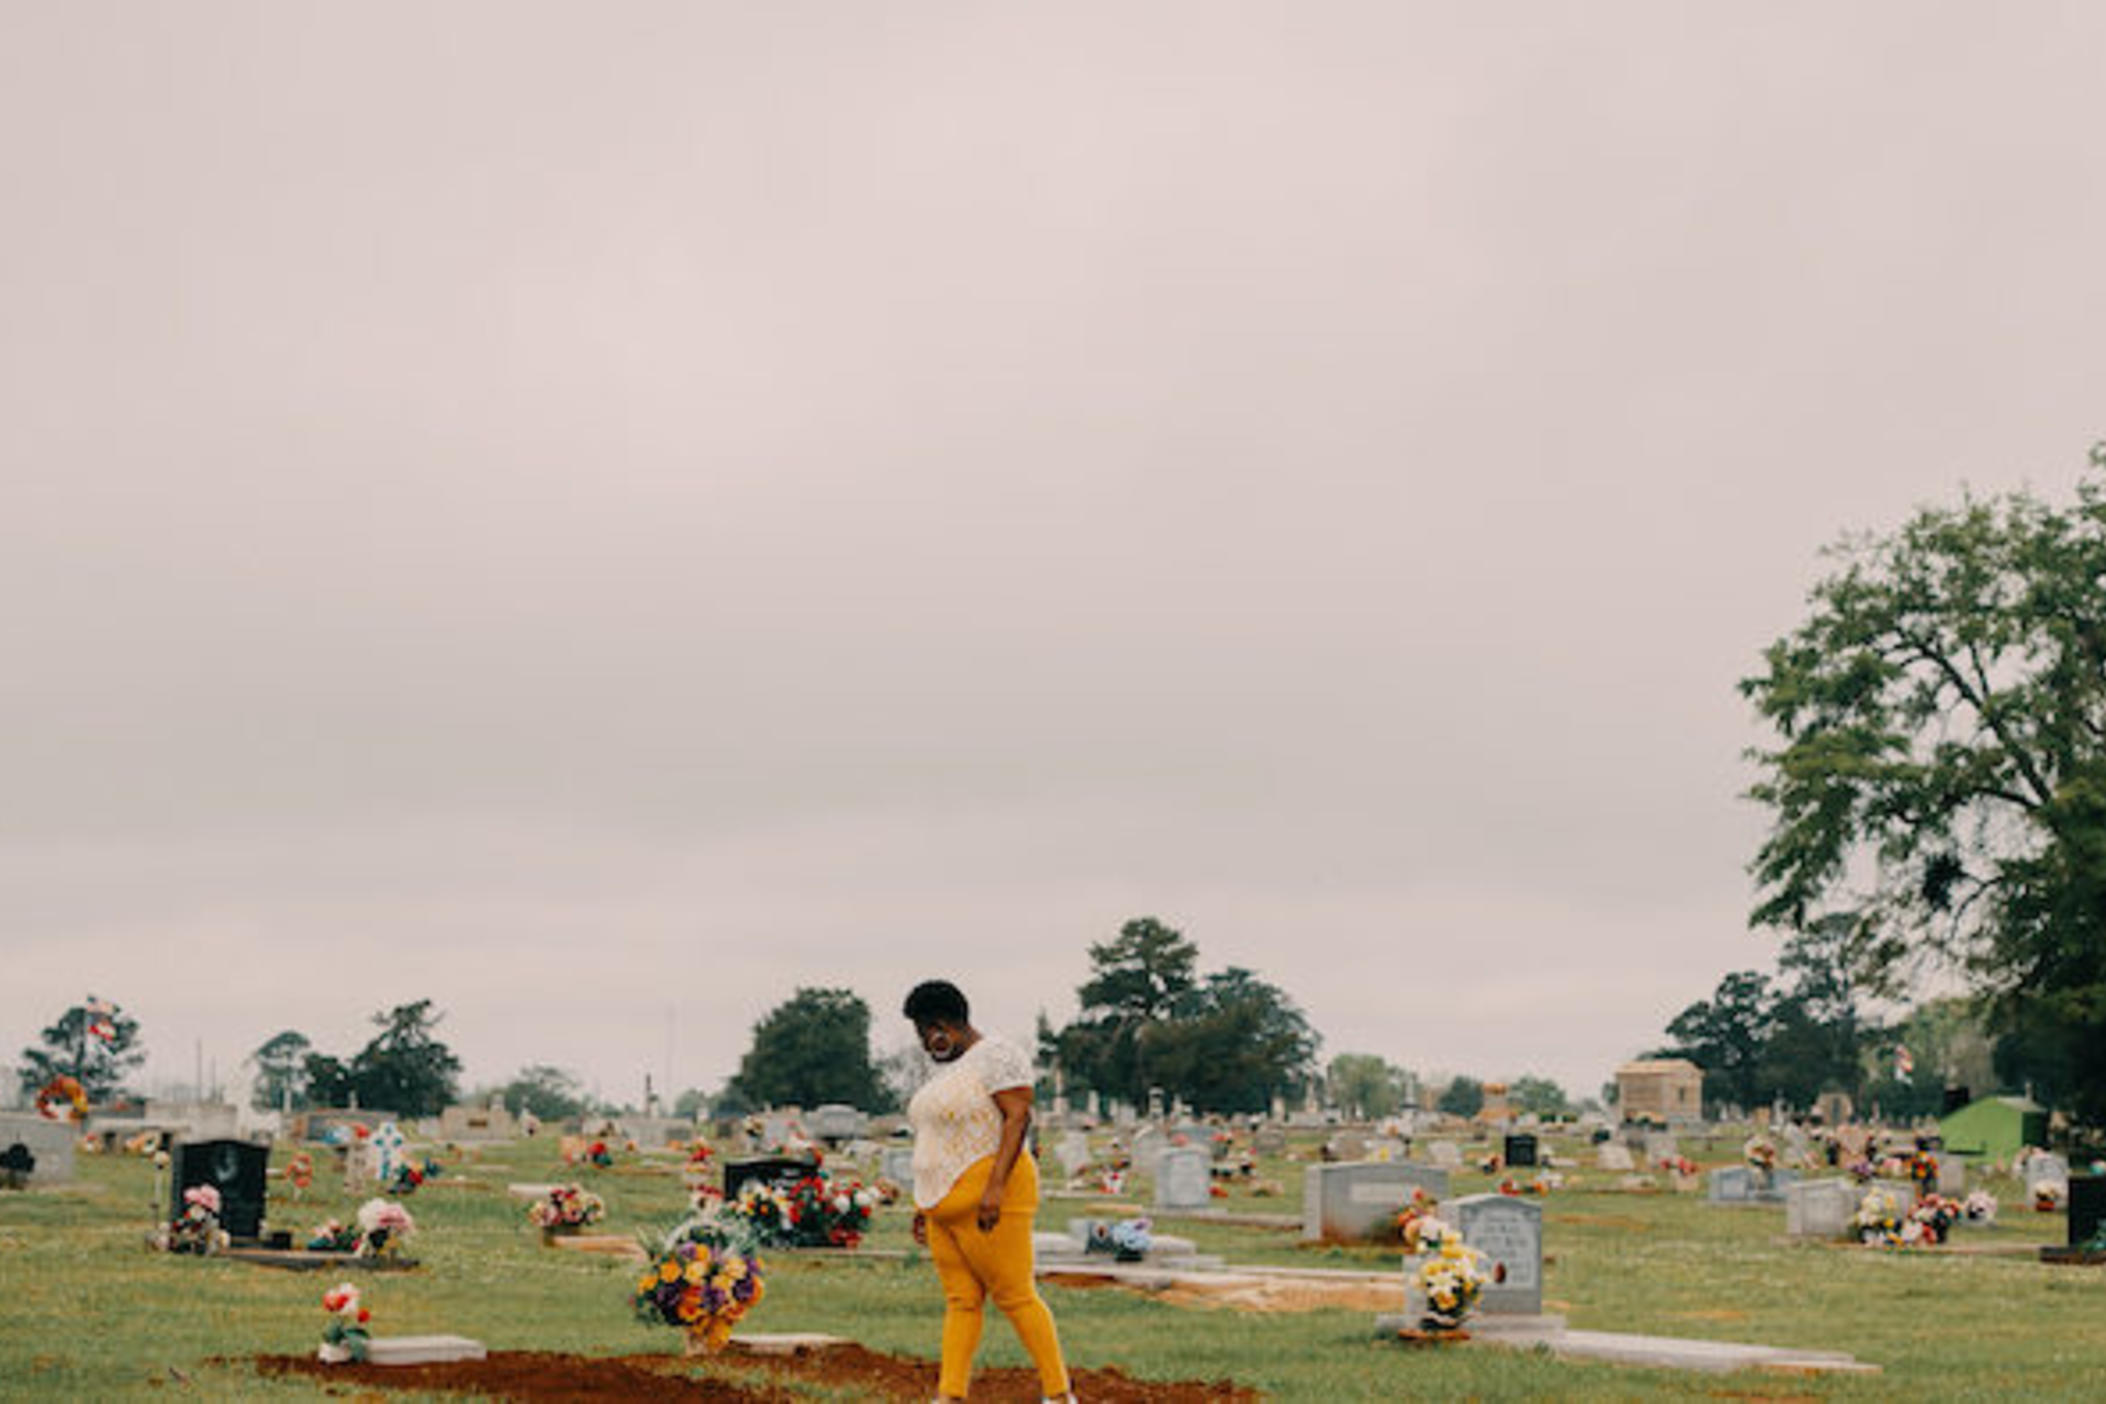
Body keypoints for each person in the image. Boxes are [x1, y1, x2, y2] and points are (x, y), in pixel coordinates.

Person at [902, 979, 1074, 1403]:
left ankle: (1059, 1394)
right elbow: (937, 1140)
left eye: (927, 1030)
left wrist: (994, 1188)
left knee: (1015, 1295)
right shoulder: (949, 1071)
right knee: (961, 1301)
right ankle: (950, 1395)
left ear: (946, 1025)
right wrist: (923, 1204)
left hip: (990, 1201)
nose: (926, 1042)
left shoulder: (997, 1054)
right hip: (942, 1206)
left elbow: (1017, 1119)